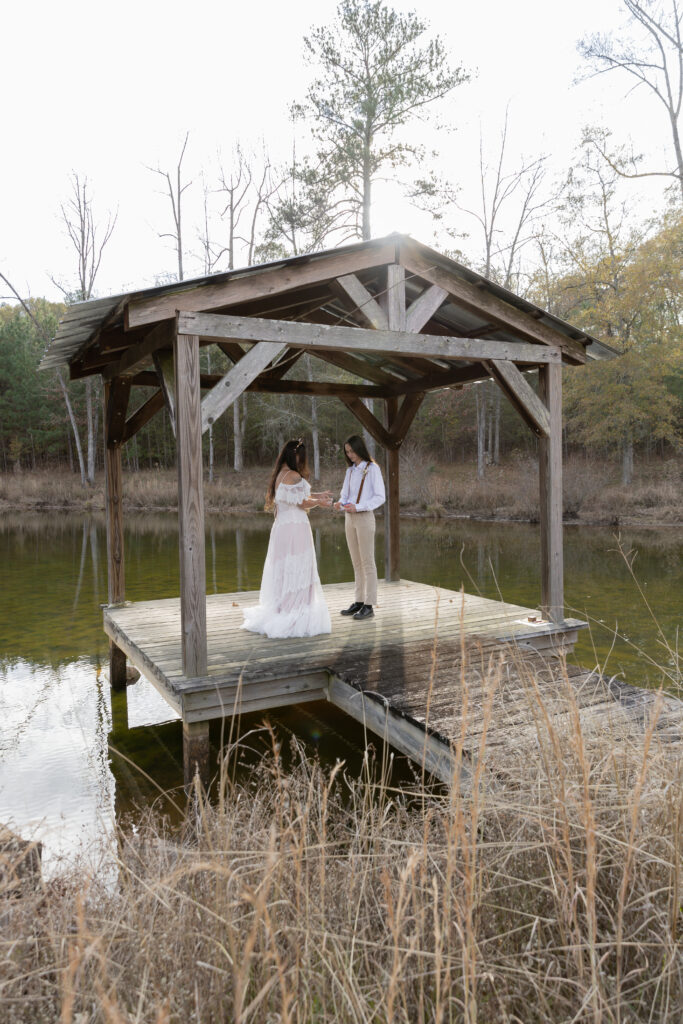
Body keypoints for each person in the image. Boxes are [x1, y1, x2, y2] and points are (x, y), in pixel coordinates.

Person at [242, 438, 333, 639]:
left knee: (284, 568)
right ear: (296, 456)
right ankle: (296, 609)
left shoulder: (279, 475)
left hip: (281, 528)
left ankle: (283, 606)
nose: (302, 463)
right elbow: (302, 503)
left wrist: (318, 495)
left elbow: (296, 495)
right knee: (299, 565)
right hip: (295, 527)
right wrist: (321, 503)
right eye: (302, 459)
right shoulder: (293, 475)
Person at [334, 435, 386, 620]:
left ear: (359, 449)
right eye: (347, 452)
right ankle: (359, 601)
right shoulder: (350, 471)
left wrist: (359, 506)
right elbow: (344, 494)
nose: (350, 455)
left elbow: (380, 497)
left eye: (352, 451)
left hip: (364, 517)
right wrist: (340, 503)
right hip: (349, 518)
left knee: (368, 562)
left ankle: (369, 605)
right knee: (356, 562)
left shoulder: (372, 469)